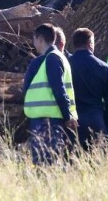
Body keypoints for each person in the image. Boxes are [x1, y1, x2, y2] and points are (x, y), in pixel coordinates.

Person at [22, 23, 78, 164]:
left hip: (47, 120)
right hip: (51, 119)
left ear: (40, 39)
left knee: (45, 163)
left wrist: (67, 116)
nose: (33, 43)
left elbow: (59, 90)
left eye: (34, 39)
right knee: (50, 162)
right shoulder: (60, 58)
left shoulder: (50, 59)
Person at [68, 28, 108, 148]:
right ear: (90, 44)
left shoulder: (66, 65)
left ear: (74, 43)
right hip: (97, 120)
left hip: (73, 123)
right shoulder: (104, 68)